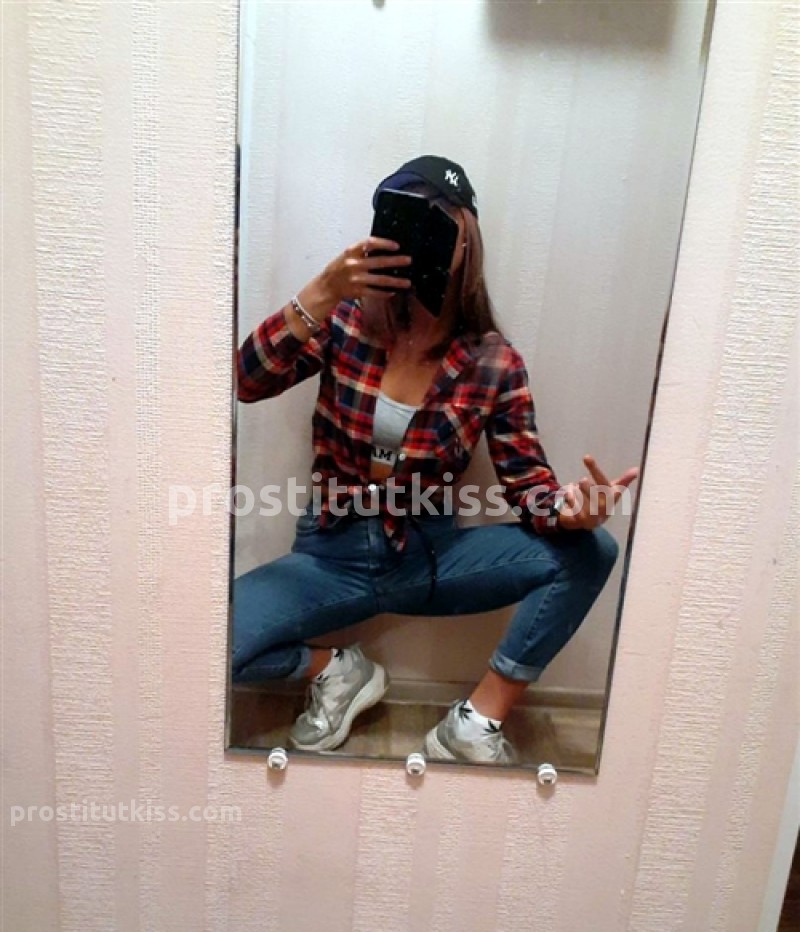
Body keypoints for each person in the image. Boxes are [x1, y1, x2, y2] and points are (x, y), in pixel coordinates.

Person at [233, 155, 638, 765]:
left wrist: (572, 513)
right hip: (332, 553)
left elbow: (529, 486)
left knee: (592, 551)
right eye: (406, 215)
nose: (422, 235)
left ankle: (475, 723)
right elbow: (247, 381)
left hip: (428, 556)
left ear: (466, 241)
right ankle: (335, 672)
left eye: (441, 222)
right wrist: (320, 292)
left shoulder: (494, 363)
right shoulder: (345, 320)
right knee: (207, 640)